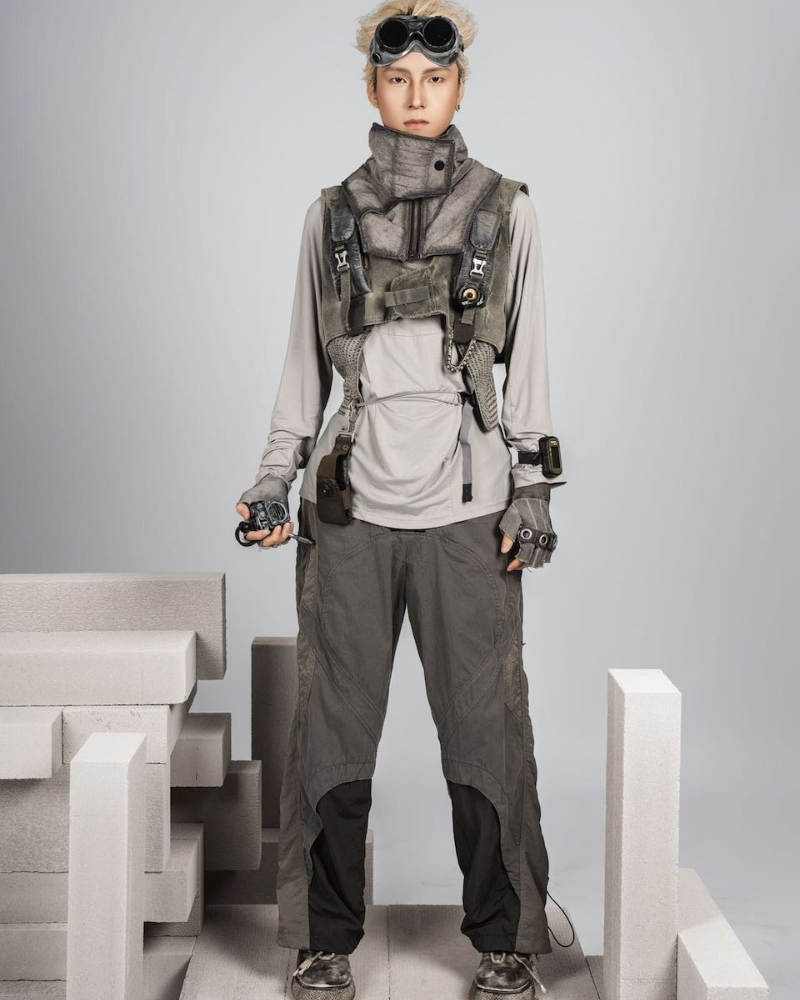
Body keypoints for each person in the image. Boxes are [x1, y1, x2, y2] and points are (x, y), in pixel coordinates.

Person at [236, 3, 567, 997]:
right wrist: (273, 477)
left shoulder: (507, 209)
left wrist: (532, 490)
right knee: (329, 737)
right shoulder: (328, 216)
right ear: (373, 86)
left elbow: (530, 366)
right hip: (348, 514)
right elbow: (302, 369)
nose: (416, 95)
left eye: (435, 77)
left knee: (486, 732)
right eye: (396, 78)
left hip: (469, 514)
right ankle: (322, 941)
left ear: (459, 85)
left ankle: (507, 940)